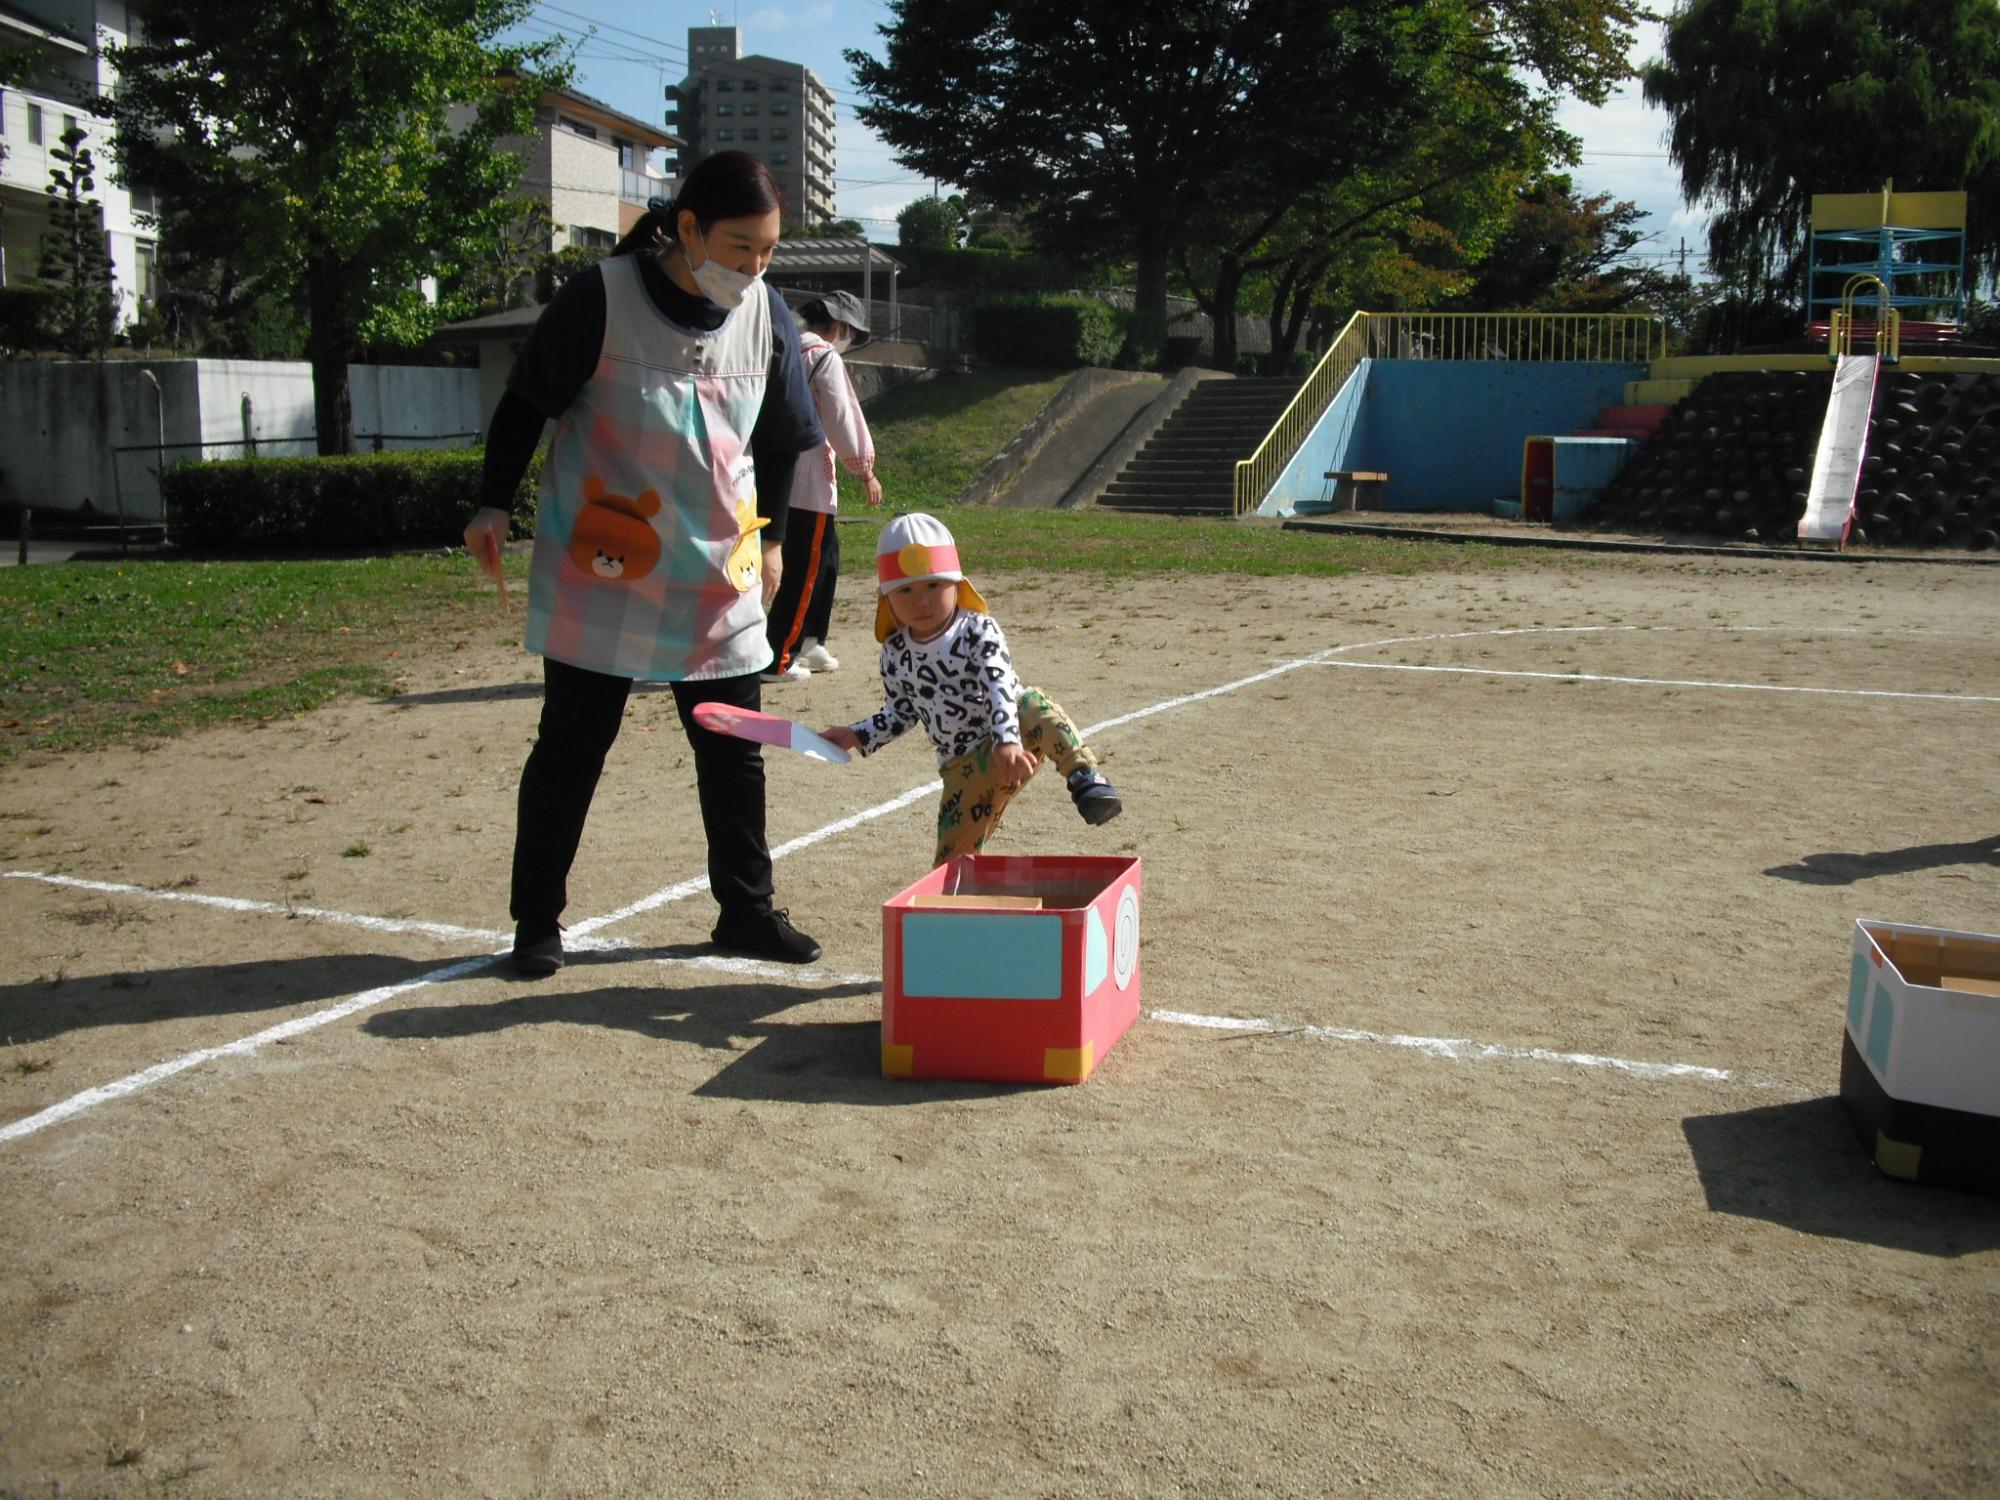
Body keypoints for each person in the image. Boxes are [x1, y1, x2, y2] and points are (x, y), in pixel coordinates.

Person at [461, 151, 826, 976]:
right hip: (606, 565)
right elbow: (524, 404)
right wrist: (491, 502)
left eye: (768, 252)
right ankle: (537, 924)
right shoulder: (602, 295)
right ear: (688, 229)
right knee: (572, 746)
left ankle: (747, 911)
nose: (754, 268)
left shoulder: (765, 311)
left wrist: (770, 541)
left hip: (715, 571)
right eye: (740, 248)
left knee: (733, 745)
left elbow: (780, 439)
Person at [820, 512, 1123, 867]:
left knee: (1030, 702)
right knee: (952, 862)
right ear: (886, 599)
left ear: (957, 584)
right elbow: (900, 713)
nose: (921, 601)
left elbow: (999, 686)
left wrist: (1007, 741)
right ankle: (956, 912)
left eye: (933, 585)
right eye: (905, 590)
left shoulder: (978, 630)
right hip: (961, 767)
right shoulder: (895, 652)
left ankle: (1084, 778)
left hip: (1010, 737)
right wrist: (856, 734)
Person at [763, 289, 884, 684]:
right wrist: (864, 468)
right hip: (809, 482)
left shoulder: (780, 347)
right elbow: (842, 415)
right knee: (804, 569)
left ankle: (810, 640)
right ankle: (779, 657)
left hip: (774, 476)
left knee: (825, 557)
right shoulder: (823, 356)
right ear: (838, 326)